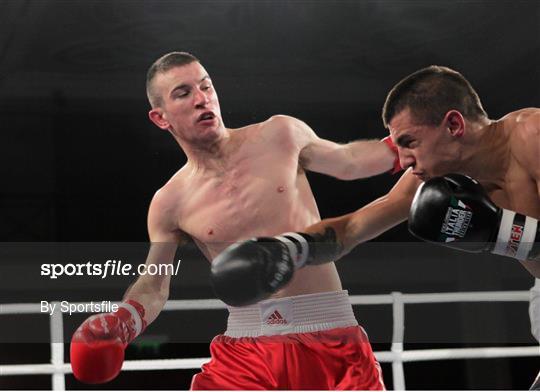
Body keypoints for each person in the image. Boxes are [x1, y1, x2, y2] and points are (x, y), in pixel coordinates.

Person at [69, 51, 401, 390]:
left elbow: (349, 162)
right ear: (160, 118)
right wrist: (126, 319)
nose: (201, 99)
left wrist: (417, 143)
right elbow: (154, 285)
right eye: (183, 93)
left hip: (331, 338)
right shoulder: (169, 201)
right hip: (246, 353)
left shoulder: (279, 134)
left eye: (206, 87)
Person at [211, 66, 539, 387]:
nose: (405, 160)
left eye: (410, 142)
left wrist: (501, 233)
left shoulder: (532, 137)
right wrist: (288, 248)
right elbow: (355, 226)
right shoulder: (432, 178)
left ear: (453, 124)